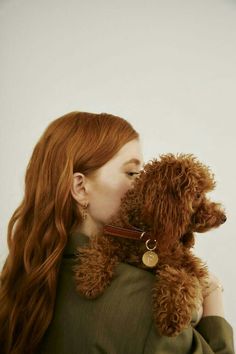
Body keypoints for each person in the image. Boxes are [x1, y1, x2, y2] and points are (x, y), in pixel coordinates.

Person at [0, 111, 234, 354]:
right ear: (80, 187)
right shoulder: (147, 302)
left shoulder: (19, 282)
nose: (143, 186)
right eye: (132, 173)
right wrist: (213, 297)